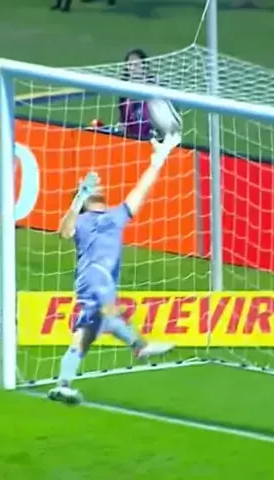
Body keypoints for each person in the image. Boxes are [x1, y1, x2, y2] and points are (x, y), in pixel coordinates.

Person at [47, 132, 181, 405]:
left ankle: (63, 385)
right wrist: (77, 199)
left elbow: (141, 191)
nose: (96, 188)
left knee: (84, 336)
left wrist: (159, 159)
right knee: (107, 314)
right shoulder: (81, 220)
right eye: (88, 189)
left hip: (103, 281)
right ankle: (140, 345)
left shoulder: (116, 215)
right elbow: (64, 232)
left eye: (95, 188)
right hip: (93, 277)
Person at [118, 49, 155, 140]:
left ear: (144, 66)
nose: (132, 68)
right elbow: (122, 121)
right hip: (129, 139)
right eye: (130, 65)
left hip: (150, 140)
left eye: (136, 64)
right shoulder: (123, 92)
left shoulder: (154, 90)